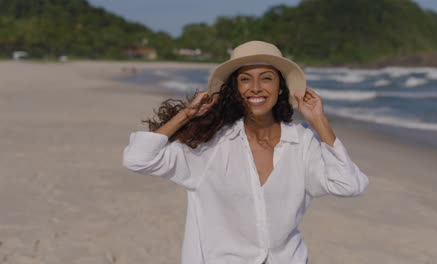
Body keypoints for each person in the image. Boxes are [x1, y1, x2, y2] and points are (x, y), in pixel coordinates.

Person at [123, 40, 369, 264]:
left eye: (266, 78)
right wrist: (187, 115)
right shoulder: (211, 146)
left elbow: (348, 185)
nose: (255, 88)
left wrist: (319, 122)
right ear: (235, 88)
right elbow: (138, 159)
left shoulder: (302, 142)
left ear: (280, 87)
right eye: (245, 79)